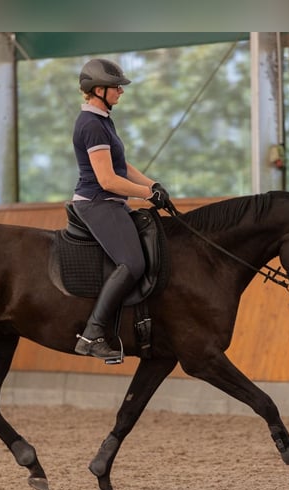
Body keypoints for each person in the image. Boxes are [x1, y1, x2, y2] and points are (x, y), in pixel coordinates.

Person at [71, 57, 173, 360]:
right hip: (97, 202)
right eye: (116, 87)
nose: (121, 91)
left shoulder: (103, 120)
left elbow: (121, 166)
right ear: (98, 89)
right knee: (132, 263)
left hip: (111, 200)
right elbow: (107, 179)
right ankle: (92, 333)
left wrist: (154, 185)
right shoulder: (90, 124)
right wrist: (146, 195)